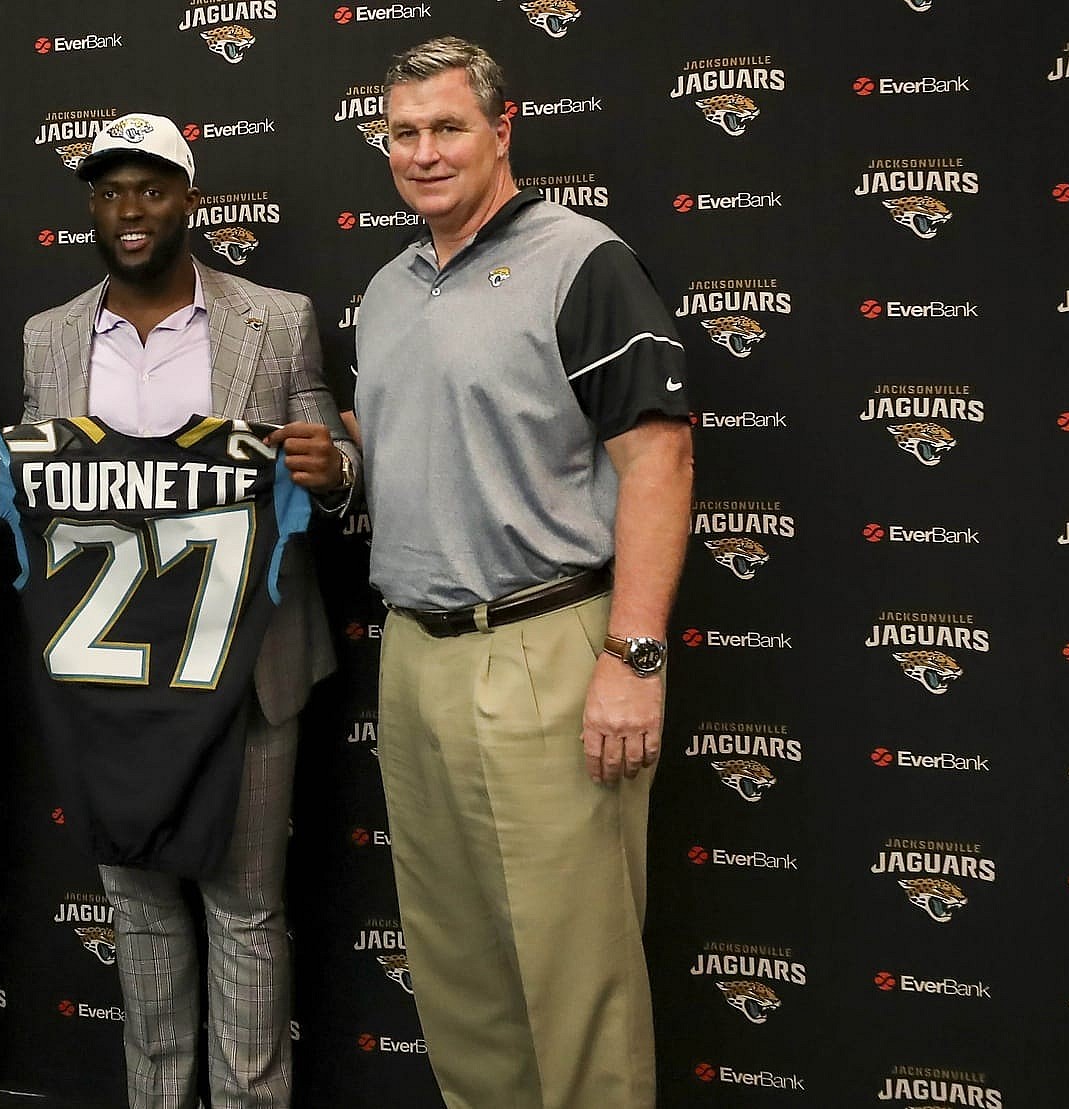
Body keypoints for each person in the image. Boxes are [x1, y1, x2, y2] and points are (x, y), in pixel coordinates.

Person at [0, 113, 356, 1109]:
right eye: (110, 190)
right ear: (92, 205)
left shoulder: (277, 316)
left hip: (245, 666)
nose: (130, 210)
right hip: (115, 670)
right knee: (136, 904)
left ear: (188, 197)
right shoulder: (50, 334)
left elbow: (332, 463)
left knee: (244, 906)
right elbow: (36, 497)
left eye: (151, 187)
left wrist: (333, 469)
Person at [352, 38, 694, 1109]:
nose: (422, 151)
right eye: (401, 132)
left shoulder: (579, 259)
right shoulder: (387, 285)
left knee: (570, 970)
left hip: (544, 642)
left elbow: (659, 455)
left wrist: (631, 656)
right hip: (414, 651)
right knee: (457, 967)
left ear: (503, 129)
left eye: (446, 126)